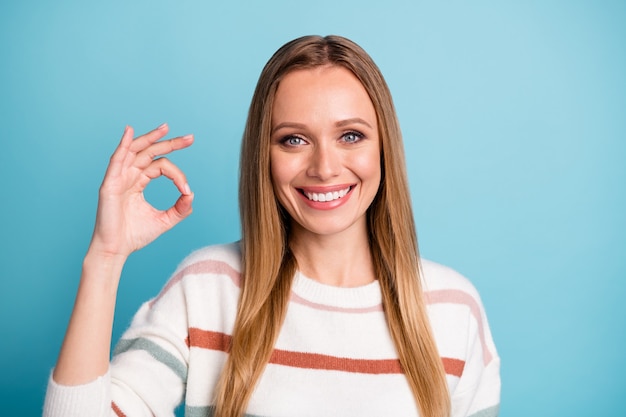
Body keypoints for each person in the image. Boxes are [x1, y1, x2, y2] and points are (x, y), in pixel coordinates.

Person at [43, 35, 500, 417]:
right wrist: (105, 259)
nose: (324, 167)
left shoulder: (453, 310)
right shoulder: (208, 289)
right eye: (294, 139)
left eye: (351, 135)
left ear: (385, 148)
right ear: (265, 154)